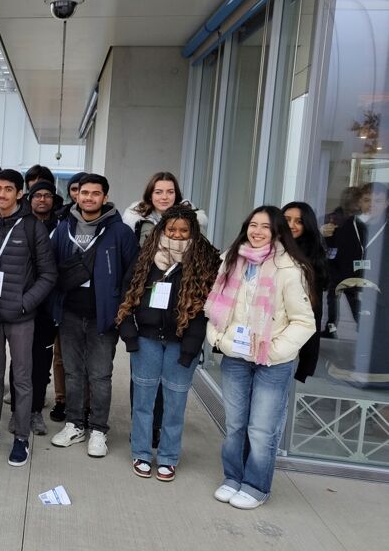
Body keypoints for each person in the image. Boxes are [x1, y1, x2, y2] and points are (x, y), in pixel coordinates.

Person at [206, 206, 315, 509]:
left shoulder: (289, 269)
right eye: (253, 225)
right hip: (236, 355)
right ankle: (232, 478)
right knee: (236, 424)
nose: (257, 232)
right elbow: (214, 304)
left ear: (277, 231)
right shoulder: (231, 260)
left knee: (261, 428)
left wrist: (275, 351)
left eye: (265, 227)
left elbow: (305, 322)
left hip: (273, 362)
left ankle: (256, 486)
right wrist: (218, 340)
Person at [117, 206, 220, 481]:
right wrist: (129, 334)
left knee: (175, 403)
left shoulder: (201, 263)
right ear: (162, 230)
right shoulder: (146, 257)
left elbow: (203, 310)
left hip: (180, 344)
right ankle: (140, 452)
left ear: (193, 233)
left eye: (184, 230)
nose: (177, 235)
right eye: (171, 229)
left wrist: (192, 347)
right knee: (143, 401)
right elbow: (126, 294)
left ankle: (168, 457)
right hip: (146, 340)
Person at [49, 173, 139, 458]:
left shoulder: (120, 232)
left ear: (105, 197)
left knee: (100, 375)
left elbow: (132, 273)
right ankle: (75, 424)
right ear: (77, 195)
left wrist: (120, 308)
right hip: (70, 312)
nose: (88, 198)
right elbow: (52, 268)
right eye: (84, 193)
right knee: (74, 372)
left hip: (104, 315)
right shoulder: (64, 228)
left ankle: (99, 429)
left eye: (95, 194)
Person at [0, 169, 57, 467]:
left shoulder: (33, 228)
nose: (3, 194)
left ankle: (21, 437)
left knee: (21, 378)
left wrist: (25, 303)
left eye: (10, 189)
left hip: (21, 317)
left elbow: (49, 275)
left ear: (20, 194)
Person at [21, 179, 62, 435]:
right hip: (22, 303)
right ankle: (18, 411)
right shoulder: (21, 224)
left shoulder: (61, 227)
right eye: (38, 195)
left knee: (41, 361)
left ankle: (35, 411)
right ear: (30, 199)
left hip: (48, 305)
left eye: (47, 195)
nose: (42, 200)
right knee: (20, 360)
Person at [50, 171, 87, 422]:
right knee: (61, 357)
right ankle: (62, 399)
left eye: (82, 190)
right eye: (74, 190)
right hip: (65, 299)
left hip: (92, 303)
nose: (78, 195)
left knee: (90, 362)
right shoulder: (62, 220)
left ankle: (87, 404)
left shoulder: (110, 225)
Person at [327, 183, 387, 334]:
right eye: (367, 200)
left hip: (382, 289)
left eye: (378, 201)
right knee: (364, 331)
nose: (372, 205)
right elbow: (335, 254)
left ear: (387, 203)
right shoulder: (347, 225)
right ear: (359, 202)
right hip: (352, 285)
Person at [283, 202, 329, 383]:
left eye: (298, 221)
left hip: (285, 342)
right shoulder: (264, 247)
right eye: (286, 219)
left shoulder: (311, 259)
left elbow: (313, 311)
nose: (291, 225)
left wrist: (307, 362)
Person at [122, 172, 208, 246]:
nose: (164, 197)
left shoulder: (192, 218)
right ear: (150, 195)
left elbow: (204, 251)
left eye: (170, 192)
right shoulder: (136, 219)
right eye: (158, 192)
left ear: (176, 194)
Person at [320, 186, 361, 338]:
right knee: (338, 297)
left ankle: (359, 327)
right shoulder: (337, 218)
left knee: (349, 297)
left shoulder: (357, 220)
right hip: (339, 265)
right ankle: (332, 328)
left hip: (347, 265)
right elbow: (332, 242)